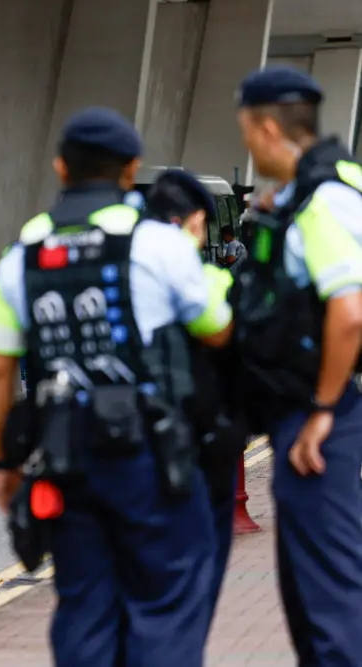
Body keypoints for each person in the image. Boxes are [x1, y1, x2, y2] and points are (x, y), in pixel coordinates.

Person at [0, 107, 233, 667]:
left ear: (60, 167)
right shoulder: (159, 246)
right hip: (152, 454)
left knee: (83, 604)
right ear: (131, 170)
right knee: (165, 601)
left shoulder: (25, 257)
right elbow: (219, 330)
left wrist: (5, 463)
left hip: (67, 456)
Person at [229, 66, 362, 664]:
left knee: (329, 597)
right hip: (299, 413)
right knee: (308, 592)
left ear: (265, 127)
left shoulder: (324, 200)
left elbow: (351, 311)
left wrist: (323, 409)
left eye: (246, 132)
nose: (247, 145)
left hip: (320, 420)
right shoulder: (303, 195)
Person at [143, 169, 248, 623]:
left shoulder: (108, 266)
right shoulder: (202, 276)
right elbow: (225, 334)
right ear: (194, 223)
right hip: (187, 446)